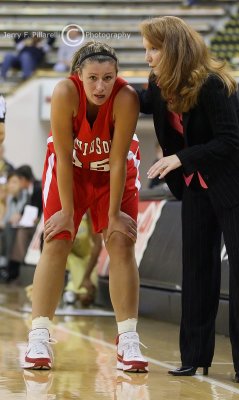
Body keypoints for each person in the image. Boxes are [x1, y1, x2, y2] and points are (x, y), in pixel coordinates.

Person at [138, 16, 239, 383]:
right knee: (196, 270)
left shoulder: (214, 85)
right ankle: (194, 356)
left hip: (233, 183)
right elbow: (137, 100)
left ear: (174, 49)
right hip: (195, 186)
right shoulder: (159, 84)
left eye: (153, 49)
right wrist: (100, 84)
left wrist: (180, 158)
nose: (147, 57)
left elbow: (230, 141)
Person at [23, 40, 148, 373]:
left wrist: (112, 216)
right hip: (72, 170)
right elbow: (63, 158)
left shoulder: (127, 98)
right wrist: (66, 210)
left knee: (121, 242)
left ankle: (128, 339)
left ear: (117, 77)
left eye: (108, 78)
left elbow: (119, 160)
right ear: (79, 75)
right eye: (93, 77)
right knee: (58, 237)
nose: (100, 85)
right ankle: (39, 334)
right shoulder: (65, 93)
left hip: (113, 173)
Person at [4, 165, 42, 282]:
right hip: (28, 222)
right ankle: (9, 265)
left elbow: (37, 209)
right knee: (11, 228)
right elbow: (25, 208)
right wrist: (19, 216)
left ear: (24, 179)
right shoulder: (28, 190)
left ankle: (13, 268)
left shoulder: (37, 188)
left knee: (21, 233)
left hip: (37, 223)